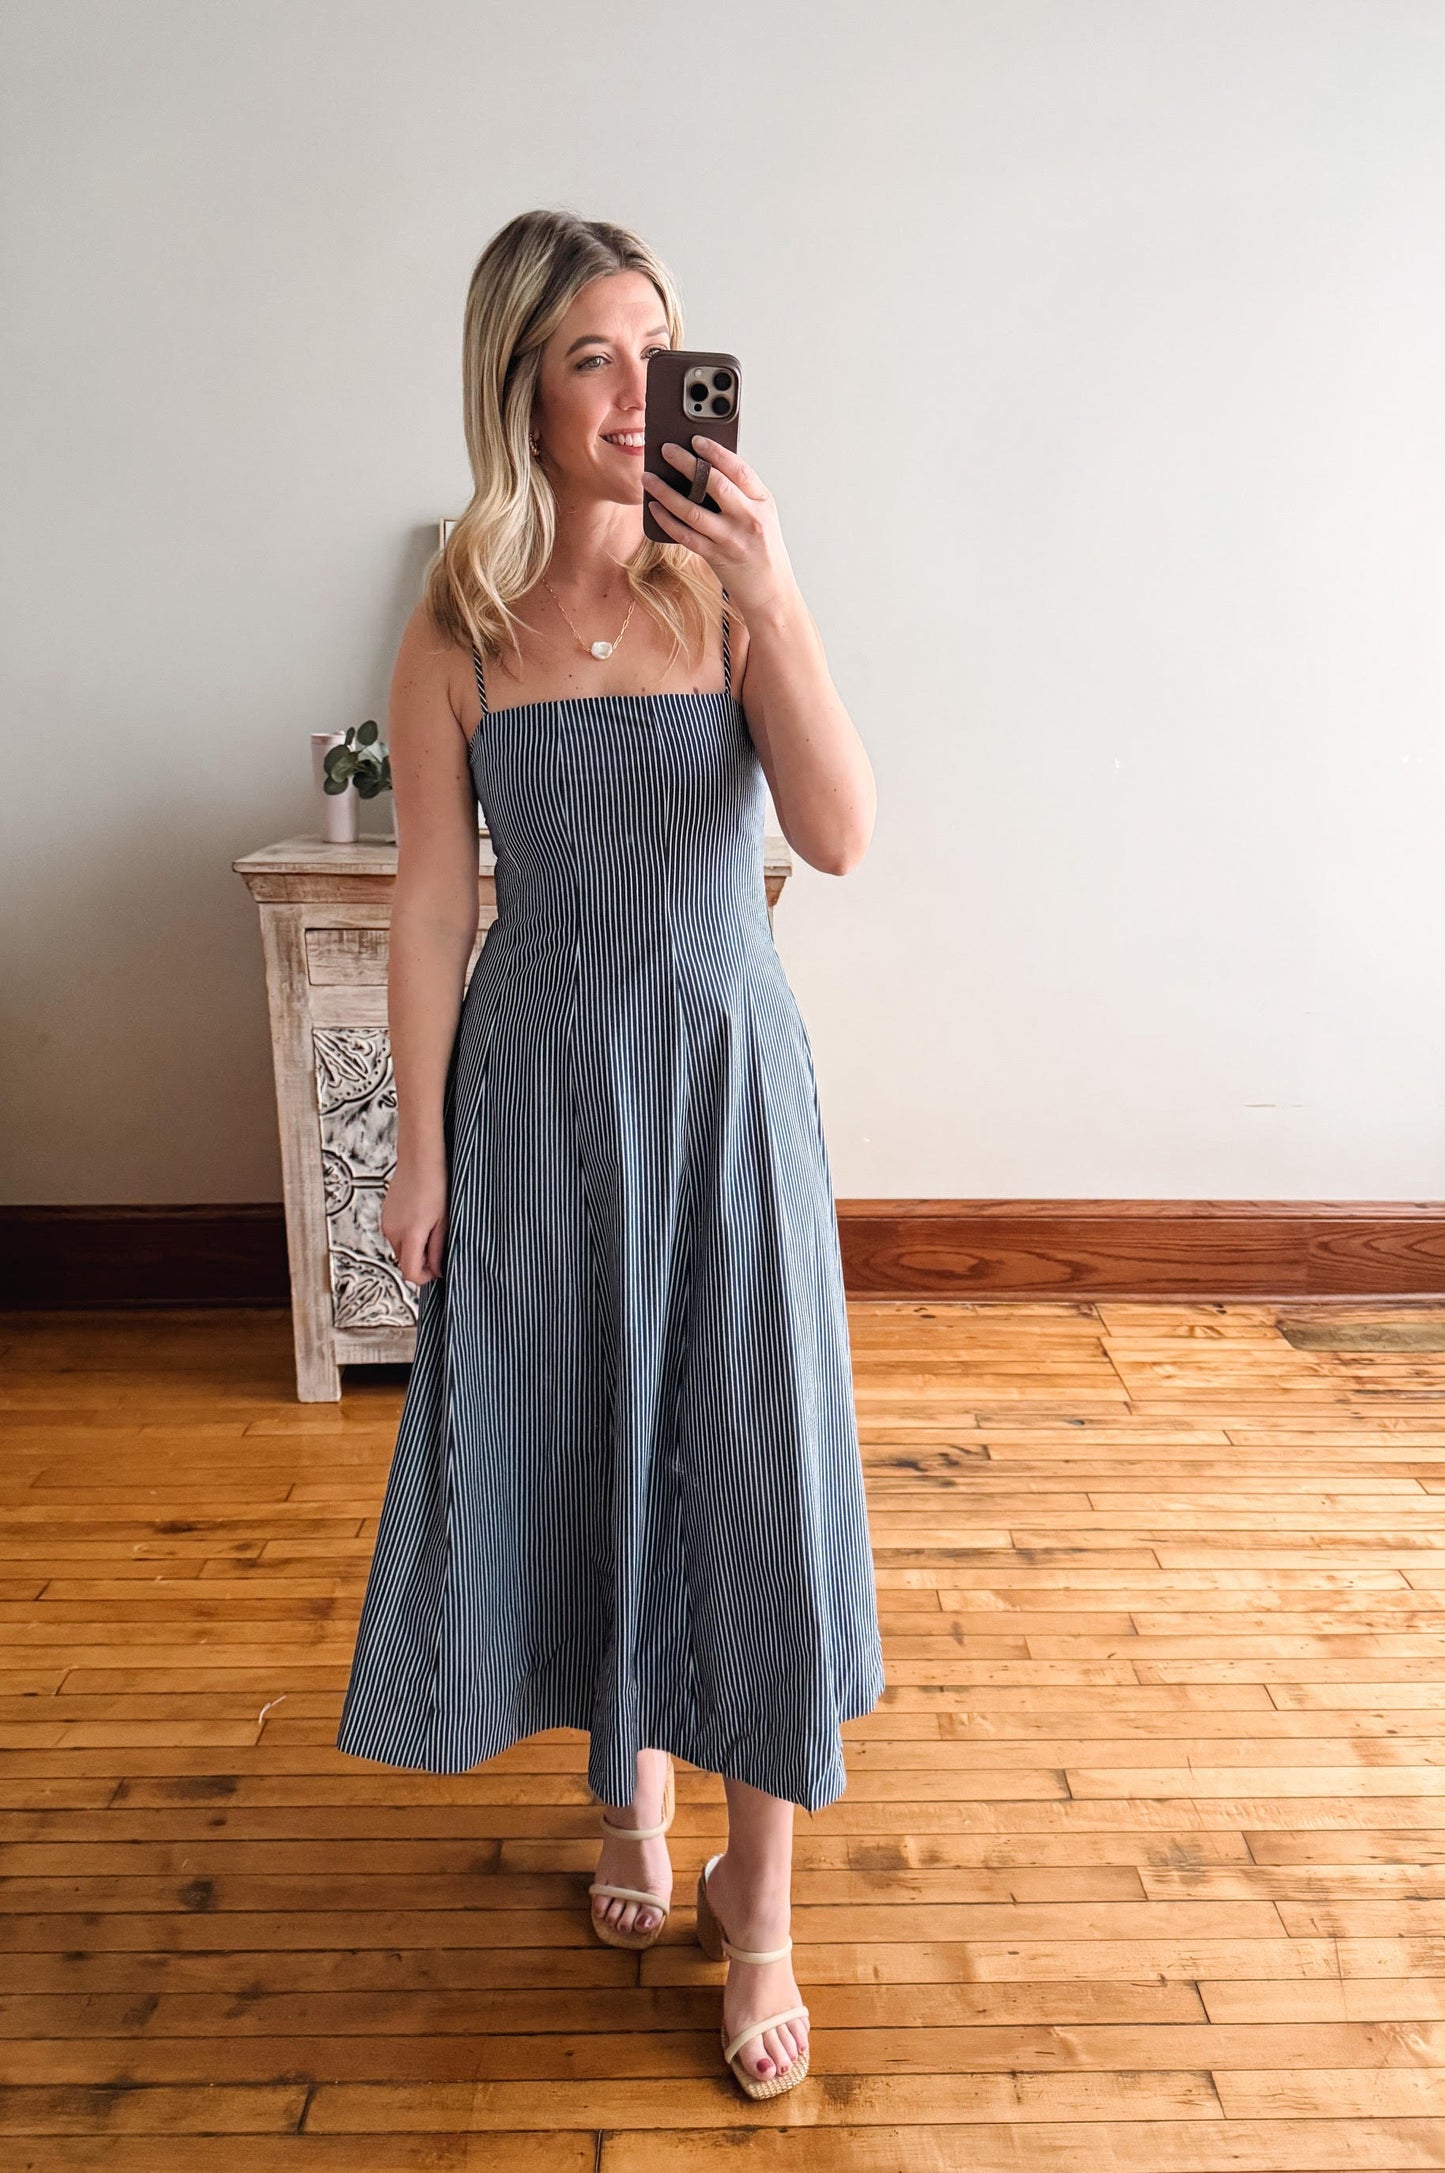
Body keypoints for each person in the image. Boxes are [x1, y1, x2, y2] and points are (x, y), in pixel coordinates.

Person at [335, 207, 885, 2101]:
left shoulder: (728, 587)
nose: (638, 385)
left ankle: (768, 1913)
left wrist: (787, 600)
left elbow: (839, 826)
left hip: (722, 1094)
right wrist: (416, 1153)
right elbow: (425, 909)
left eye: (658, 345)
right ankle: (628, 1800)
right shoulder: (457, 625)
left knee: (749, 1472)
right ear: (519, 386)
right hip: (542, 1101)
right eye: (592, 352)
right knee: (581, 1443)